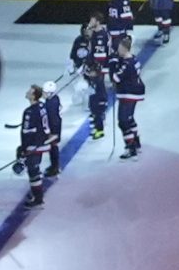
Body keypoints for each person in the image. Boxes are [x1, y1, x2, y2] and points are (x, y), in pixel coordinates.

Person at [71, 11, 114, 141]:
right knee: (92, 96)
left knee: (97, 97)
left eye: (92, 20)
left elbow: (100, 56)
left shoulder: (101, 36)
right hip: (92, 70)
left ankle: (99, 124)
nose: (90, 22)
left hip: (97, 71)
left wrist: (94, 69)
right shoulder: (94, 34)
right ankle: (96, 119)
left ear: (98, 21)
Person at [110, 32, 148, 159]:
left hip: (128, 93)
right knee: (130, 118)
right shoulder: (134, 58)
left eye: (119, 48)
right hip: (135, 91)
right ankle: (136, 142)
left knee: (123, 121)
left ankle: (130, 147)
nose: (117, 50)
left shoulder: (126, 64)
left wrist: (112, 63)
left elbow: (115, 78)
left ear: (124, 48)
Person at [16, 85, 52, 208]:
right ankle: (37, 195)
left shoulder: (29, 112)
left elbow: (27, 132)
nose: (27, 92)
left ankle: (38, 199)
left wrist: (24, 149)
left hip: (34, 146)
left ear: (33, 95)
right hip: (42, 143)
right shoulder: (42, 106)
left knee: (33, 172)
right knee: (35, 170)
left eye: (29, 92)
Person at [41, 81, 64, 177]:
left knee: (53, 148)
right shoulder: (52, 100)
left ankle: (55, 167)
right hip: (54, 127)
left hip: (53, 129)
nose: (43, 94)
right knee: (52, 148)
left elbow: (53, 118)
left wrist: (51, 133)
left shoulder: (51, 104)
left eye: (45, 92)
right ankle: (54, 166)